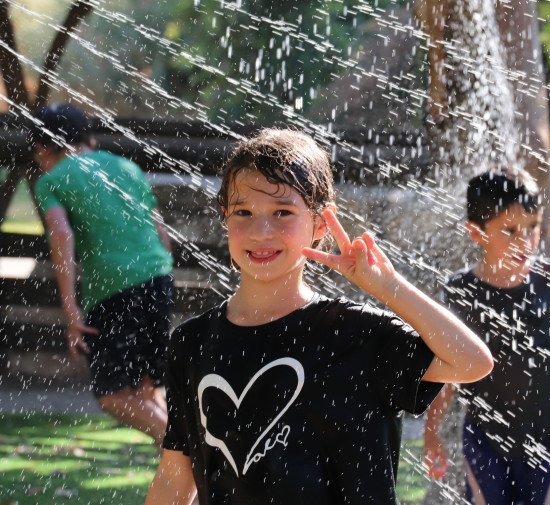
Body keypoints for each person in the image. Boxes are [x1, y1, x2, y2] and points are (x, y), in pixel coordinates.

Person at [144, 128, 494, 505]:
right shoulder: (193, 343)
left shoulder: (358, 334)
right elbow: (174, 480)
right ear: (226, 219)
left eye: (283, 213)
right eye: (244, 212)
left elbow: (472, 362)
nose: (261, 231)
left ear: (321, 225)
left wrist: (390, 288)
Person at [423, 169, 550, 505]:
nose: (525, 241)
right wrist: (431, 431)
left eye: (533, 227)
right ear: (476, 233)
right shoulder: (462, 291)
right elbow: (447, 369)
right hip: (485, 441)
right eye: (510, 231)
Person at [30, 103, 174, 447]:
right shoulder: (125, 167)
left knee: (112, 395)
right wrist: (158, 280)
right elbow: (160, 232)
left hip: (115, 289)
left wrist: (70, 307)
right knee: (146, 391)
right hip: (159, 280)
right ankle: (192, 493)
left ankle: (189, 443)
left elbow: (61, 235)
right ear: (89, 139)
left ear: (43, 148)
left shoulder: (51, 180)